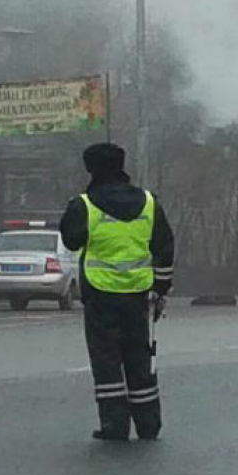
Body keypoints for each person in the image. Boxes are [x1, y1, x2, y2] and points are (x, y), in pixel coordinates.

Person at [60, 143, 174, 441]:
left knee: (107, 360)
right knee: (140, 358)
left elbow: (71, 241)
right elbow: (164, 247)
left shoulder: (84, 204)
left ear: (91, 168)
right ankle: (149, 425)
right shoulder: (149, 202)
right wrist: (160, 290)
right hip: (138, 294)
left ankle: (115, 425)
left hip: (101, 295)